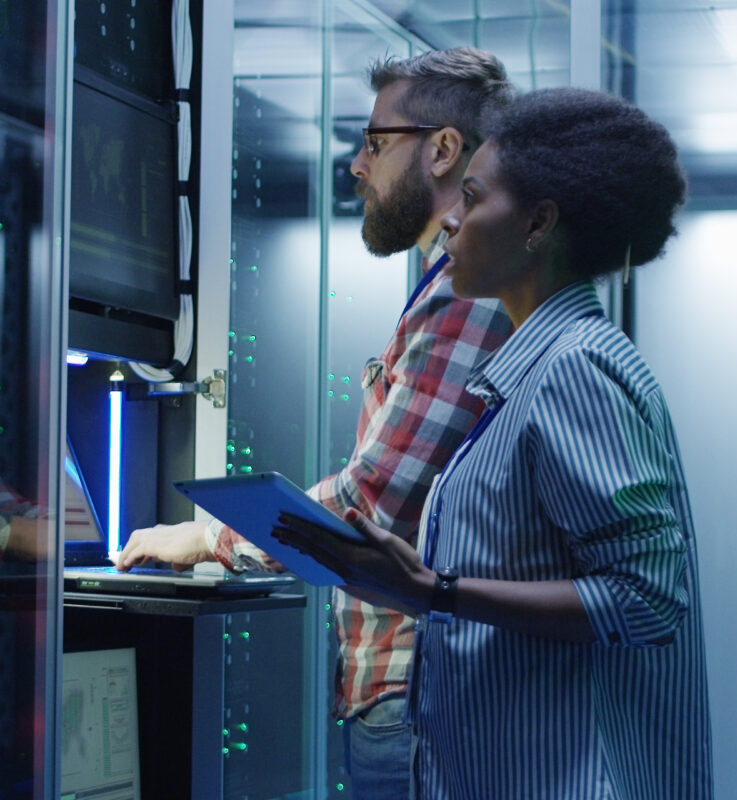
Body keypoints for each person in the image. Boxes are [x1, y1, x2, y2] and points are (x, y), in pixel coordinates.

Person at [272, 87, 714, 800]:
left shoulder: (574, 368)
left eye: (472, 200)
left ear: (538, 222)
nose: (450, 220)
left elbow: (646, 600)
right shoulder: (536, 367)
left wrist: (432, 591)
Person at [117, 48, 514, 798]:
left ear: (441, 149)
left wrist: (206, 538)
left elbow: (369, 504)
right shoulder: (446, 290)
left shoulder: (463, 297)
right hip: (407, 695)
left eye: (375, 142)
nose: (358, 166)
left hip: (416, 694)